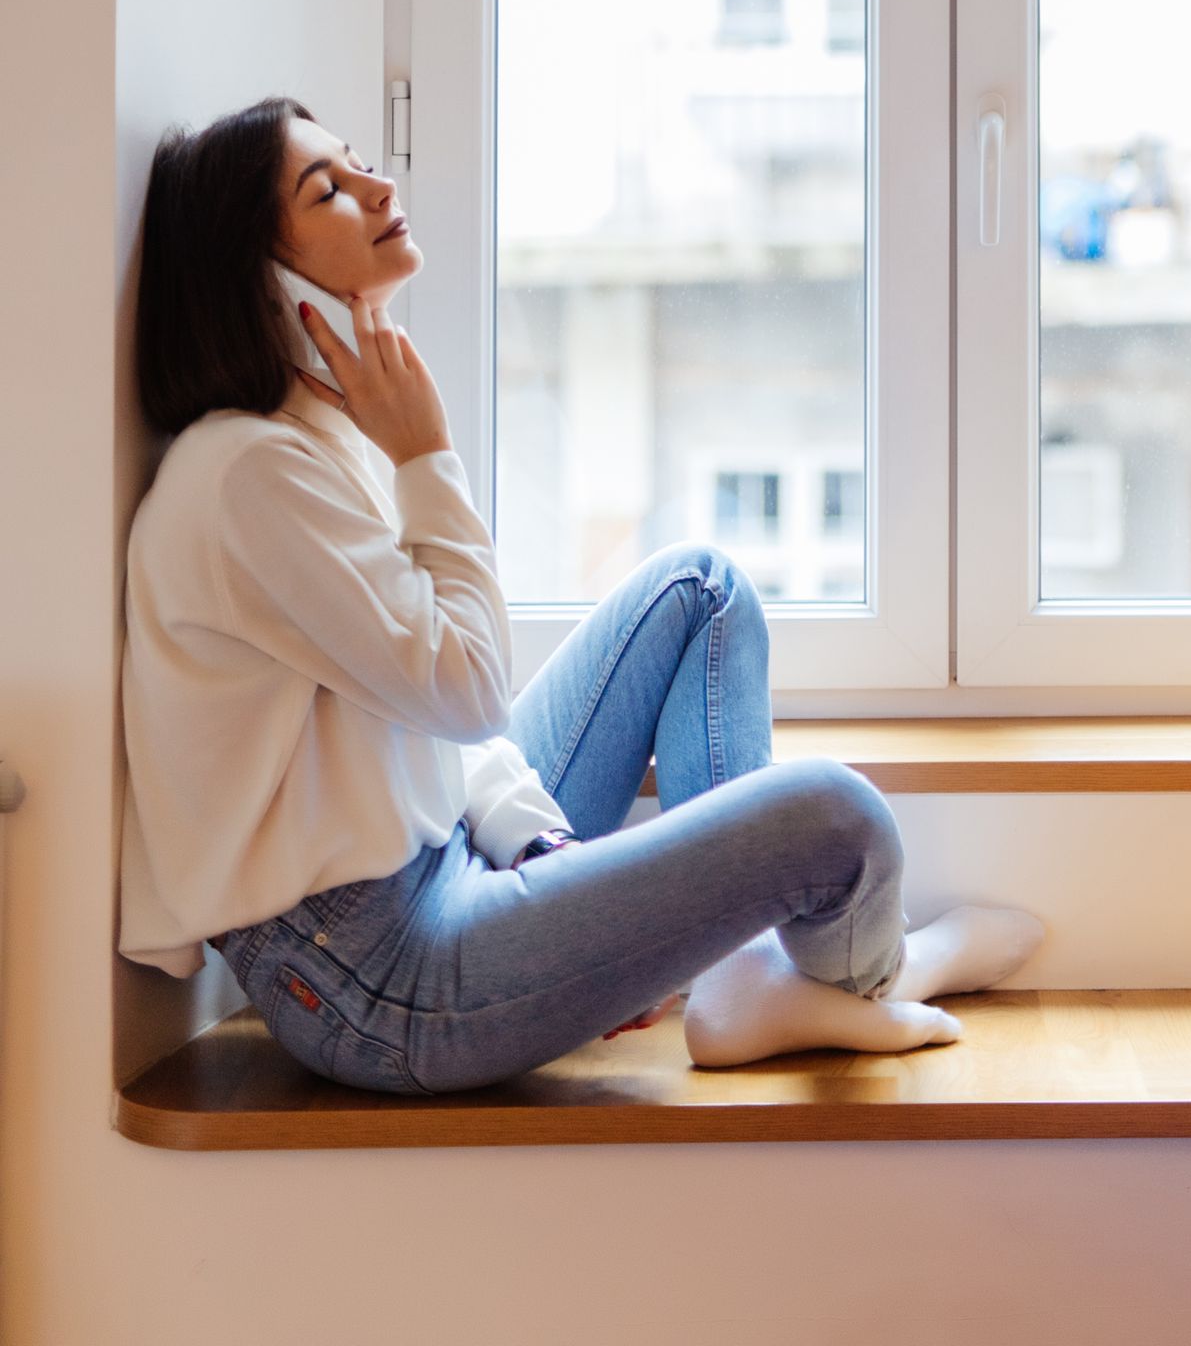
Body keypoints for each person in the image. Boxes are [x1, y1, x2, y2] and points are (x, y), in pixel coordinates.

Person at [119, 96, 1040, 1093]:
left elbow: (430, 726)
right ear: (259, 273)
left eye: (357, 164)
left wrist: (542, 847)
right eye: (330, 188)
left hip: (437, 870)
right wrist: (428, 452)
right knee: (834, 818)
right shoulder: (253, 478)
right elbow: (467, 687)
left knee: (700, 592)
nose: (381, 188)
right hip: (378, 981)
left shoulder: (310, 446)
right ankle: (880, 969)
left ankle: (741, 978)